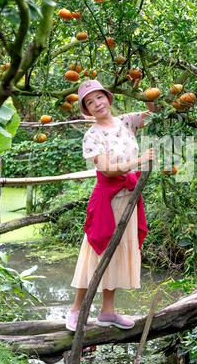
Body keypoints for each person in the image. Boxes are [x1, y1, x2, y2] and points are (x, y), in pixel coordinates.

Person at [65, 79, 155, 331]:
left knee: (116, 252)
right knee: (96, 251)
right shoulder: (92, 135)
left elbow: (156, 110)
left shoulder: (127, 121)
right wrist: (138, 161)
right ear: (86, 109)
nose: (97, 104)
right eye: (90, 102)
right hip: (107, 199)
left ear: (108, 97)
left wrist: (143, 87)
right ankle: (75, 310)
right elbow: (106, 169)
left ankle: (107, 311)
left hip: (130, 197)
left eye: (99, 97)